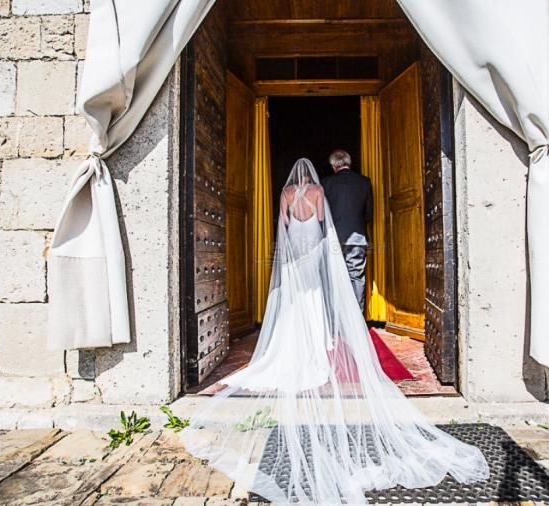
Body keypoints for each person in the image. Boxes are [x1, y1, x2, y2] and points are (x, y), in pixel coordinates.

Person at [179, 159, 489, 505]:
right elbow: (325, 223)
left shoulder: (285, 193)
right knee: (317, 296)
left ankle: (291, 343)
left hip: (293, 250)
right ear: (314, 174)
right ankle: (321, 337)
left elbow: (283, 223)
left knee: (294, 300)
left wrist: (294, 225)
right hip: (314, 248)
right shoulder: (317, 191)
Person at [320, 149, 373, 313]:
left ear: (333, 166)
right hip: (356, 237)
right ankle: (356, 318)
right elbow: (369, 213)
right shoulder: (364, 181)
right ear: (349, 163)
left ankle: (336, 318)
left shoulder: (325, 183)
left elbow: (322, 214)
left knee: (333, 277)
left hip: (333, 238)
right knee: (356, 277)